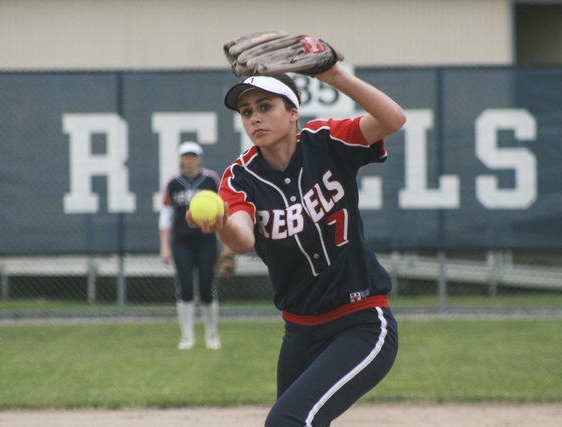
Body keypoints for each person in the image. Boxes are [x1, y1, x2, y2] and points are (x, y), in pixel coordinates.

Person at [188, 63, 406, 426]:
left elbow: (392, 119)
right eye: (246, 112)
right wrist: (222, 222)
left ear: (293, 113)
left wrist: (335, 76)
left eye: (265, 107)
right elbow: (242, 239)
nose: (254, 118)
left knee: (286, 421)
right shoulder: (240, 176)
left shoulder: (326, 141)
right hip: (300, 331)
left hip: (362, 321)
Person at [159, 141, 221, 350]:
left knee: (206, 289)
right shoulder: (173, 183)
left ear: (199, 158)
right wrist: (165, 247)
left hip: (206, 240)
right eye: (186, 156)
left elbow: (223, 209)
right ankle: (187, 336)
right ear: (180, 159)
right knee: (185, 289)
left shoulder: (211, 180)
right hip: (182, 241)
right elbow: (166, 215)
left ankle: (212, 334)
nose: (189, 160)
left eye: (193, 156)